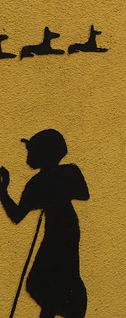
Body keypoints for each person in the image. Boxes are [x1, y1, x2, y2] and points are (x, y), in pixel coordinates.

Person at [0, 129, 89, 318]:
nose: (29, 155)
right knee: (50, 279)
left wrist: (3, 191)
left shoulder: (42, 180)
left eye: (31, 150)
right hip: (65, 227)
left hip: (60, 230)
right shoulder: (66, 172)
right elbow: (82, 193)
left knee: (46, 280)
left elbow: (17, 214)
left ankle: (61, 308)